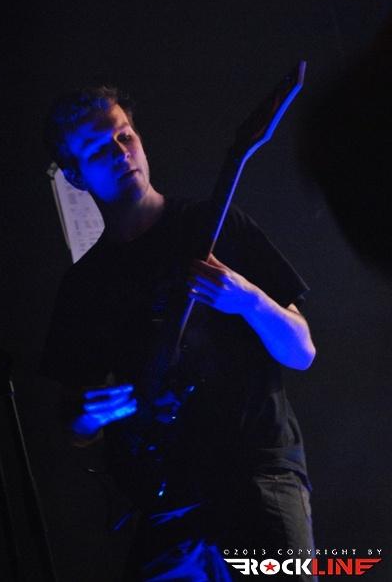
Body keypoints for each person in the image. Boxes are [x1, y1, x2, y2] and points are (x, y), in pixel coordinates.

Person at [40, 86, 317, 581]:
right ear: (76, 176)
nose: (121, 152)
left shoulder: (216, 223)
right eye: (99, 150)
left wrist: (248, 300)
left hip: (256, 476)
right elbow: (75, 424)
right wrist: (86, 416)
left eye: (125, 136)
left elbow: (302, 350)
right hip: (164, 500)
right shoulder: (84, 286)